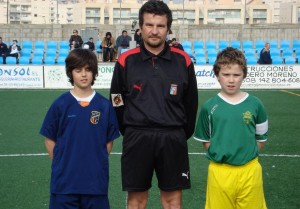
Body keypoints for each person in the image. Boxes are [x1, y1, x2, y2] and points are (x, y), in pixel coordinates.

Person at [110, 1, 198, 208]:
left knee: (172, 201)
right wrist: (129, 129)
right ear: (140, 27)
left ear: (168, 28)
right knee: (137, 201)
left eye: (160, 26)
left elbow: (191, 101)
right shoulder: (125, 60)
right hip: (137, 137)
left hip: (172, 137)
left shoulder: (183, 60)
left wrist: (179, 132)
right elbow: (116, 98)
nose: (154, 31)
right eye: (149, 25)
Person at [40, 49, 120, 209]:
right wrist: (62, 164)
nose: (84, 74)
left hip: (95, 185)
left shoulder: (104, 106)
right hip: (64, 185)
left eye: (88, 69)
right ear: (70, 73)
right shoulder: (60, 104)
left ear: (94, 72)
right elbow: (49, 140)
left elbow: (108, 143)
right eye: (78, 70)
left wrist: (94, 163)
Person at [194, 47, 268, 209]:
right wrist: (221, 153)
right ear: (217, 76)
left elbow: (260, 139)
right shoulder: (209, 106)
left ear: (244, 76)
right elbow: (206, 141)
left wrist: (245, 156)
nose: (231, 80)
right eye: (226, 75)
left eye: (236, 75)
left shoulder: (256, 104)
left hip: (250, 171)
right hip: (220, 172)